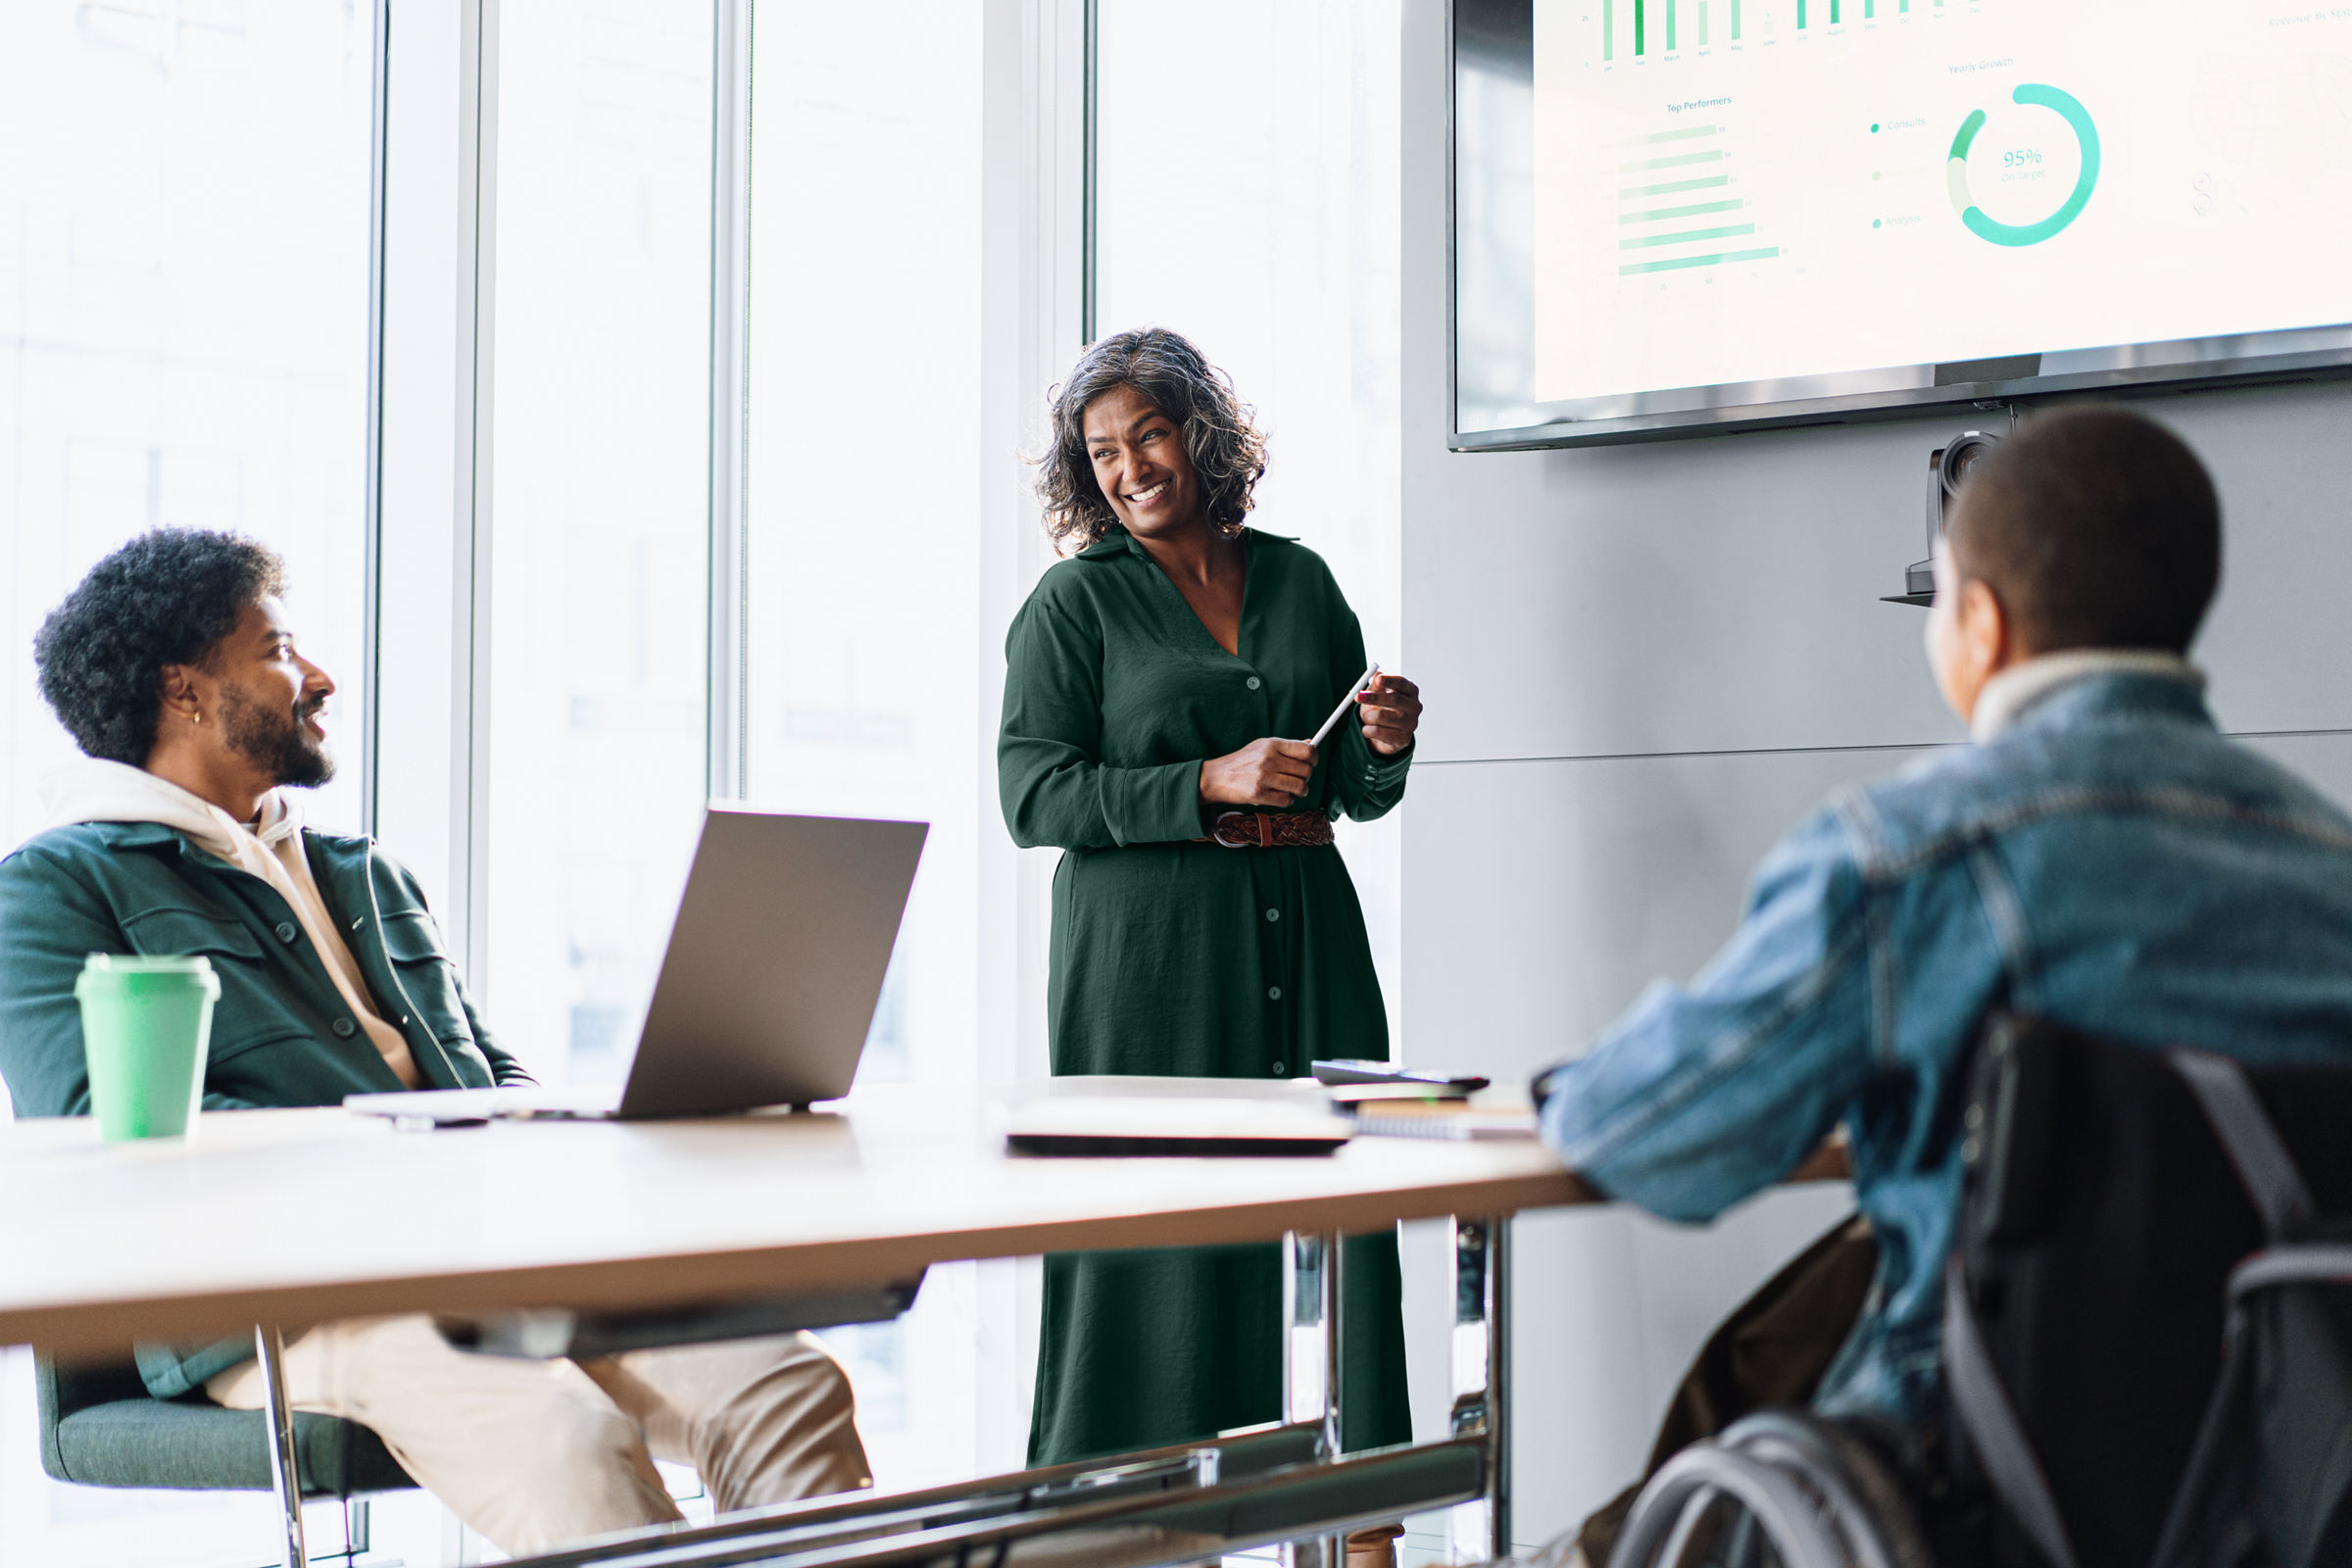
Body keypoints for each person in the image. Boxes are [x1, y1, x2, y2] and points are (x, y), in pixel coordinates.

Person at [1528, 405, 2352, 1561]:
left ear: (1980, 618)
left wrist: (1565, 1085)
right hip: (2273, 1499)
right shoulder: (2331, 862)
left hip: (1955, 1496)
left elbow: (1662, 1137)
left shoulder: (1911, 855)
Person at [0, 529, 872, 1557]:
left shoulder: (363, 872)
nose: (317, 677)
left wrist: (551, 1117)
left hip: (495, 1255)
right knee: (567, 1440)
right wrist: (415, 1159)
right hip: (289, 1300)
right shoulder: (52, 888)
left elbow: (480, 1067)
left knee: (785, 1384)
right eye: (278, 650)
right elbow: (111, 1138)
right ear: (184, 691)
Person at [998, 330, 1424, 1497]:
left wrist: (1385, 743)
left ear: (1200, 434)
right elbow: (1031, 794)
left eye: (1148, 433)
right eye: (1102, 451)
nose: (1129, 466)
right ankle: (1117, 1515)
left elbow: (1352, 791)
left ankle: (1356, 1511)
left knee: (1339, 1215)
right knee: (1151, 1228)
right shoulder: (1073, 606)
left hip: (1311, 937)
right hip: (1147, 967)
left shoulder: (1302, 580)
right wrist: (1205, 781)